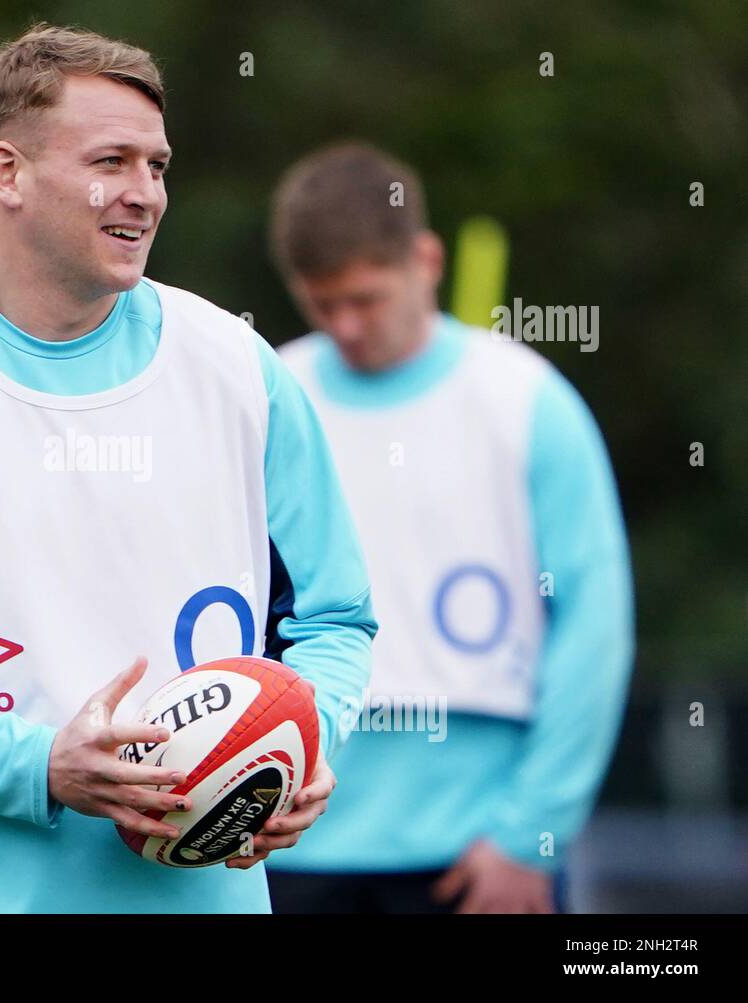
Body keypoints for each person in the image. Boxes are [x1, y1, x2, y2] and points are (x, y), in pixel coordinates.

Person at [0, 23, 377, 914]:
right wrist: (39, 766)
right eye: (112, 162)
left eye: (158, 166)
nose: (144, 195)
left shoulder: (241, 368)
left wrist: (297, 745)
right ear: (6, 172)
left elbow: (337, 619)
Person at [264, 142, 634, 913]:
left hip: (477, 859)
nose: (346, 325)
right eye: (321, 303)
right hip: (283, 847)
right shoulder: (269, 395)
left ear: (425, 259)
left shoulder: (529, 401)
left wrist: (534, 833)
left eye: (366, 298)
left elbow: (594, 631)